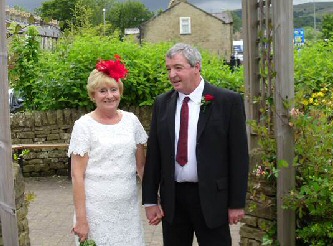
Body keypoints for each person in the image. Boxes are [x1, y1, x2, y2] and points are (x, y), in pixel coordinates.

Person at [142, 43, 249, 246]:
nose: (172, 74)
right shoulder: (162, 103)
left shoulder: (228, 101)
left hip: (212, 199)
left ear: (197, 67)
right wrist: (149, 200)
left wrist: (236, 203)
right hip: (173, 200)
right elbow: (154, 155)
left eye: (178, 68)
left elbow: (239, 156)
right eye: (168, 69)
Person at [68, 55, 148, 245]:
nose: (110, 95)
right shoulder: (83, 126)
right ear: (93, 95)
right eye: (102, 91)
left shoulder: (132, 121)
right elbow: (77, 176)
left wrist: (155, 201)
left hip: (127, 211)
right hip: (95, 212)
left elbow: (142, 167)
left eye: (114, 89)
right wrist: (81, 219)